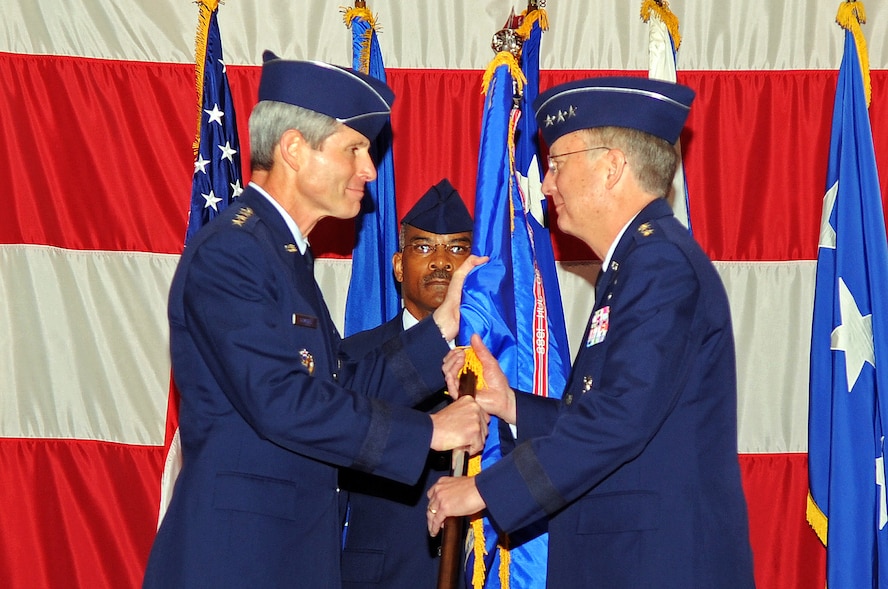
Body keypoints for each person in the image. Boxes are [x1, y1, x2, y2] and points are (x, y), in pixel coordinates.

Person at [143, 52, 489, 588]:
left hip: (283, 557)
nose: (370, 170)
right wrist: (428, 431)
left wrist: (439, 329)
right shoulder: (234, 251)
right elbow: (282, 399)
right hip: (239, 562)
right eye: (355, 149)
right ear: (294, 149)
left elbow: (339, 384)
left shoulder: (282, 254)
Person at [426, 76, 756, 588]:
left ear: (612, 168)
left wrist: (485, 491)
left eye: (558, 163)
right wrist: (509, 404)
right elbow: (619, 411)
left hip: (654, 566)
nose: (547, 184)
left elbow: (617, 420)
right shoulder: (636, 263)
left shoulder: (659, 265)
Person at [339, 179, 474, 588]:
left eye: (456, 248)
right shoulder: (355, 357)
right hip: (382, 576)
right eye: (423, 247)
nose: (440, 262)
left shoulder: (506, 359)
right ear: (398, 265)